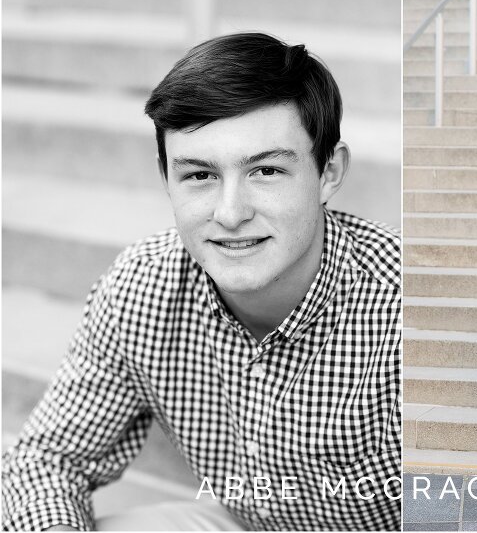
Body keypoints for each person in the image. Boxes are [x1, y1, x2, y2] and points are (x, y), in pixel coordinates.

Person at [2, 32, 401, 531]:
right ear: (165, 176)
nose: (230, 214)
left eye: (267, 171)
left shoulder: (417, 309)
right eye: (199, 176)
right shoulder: (143, 286)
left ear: (329, 171)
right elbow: (47, 461)